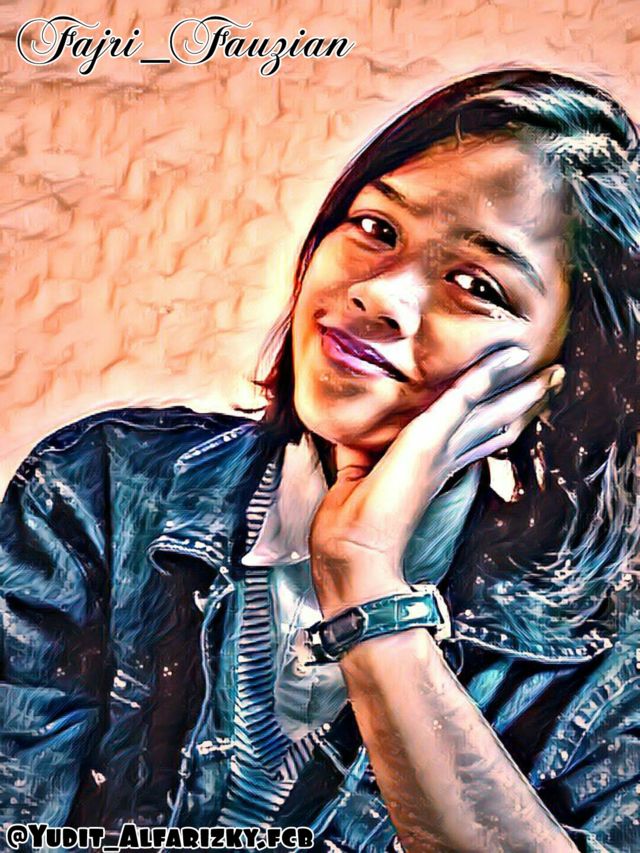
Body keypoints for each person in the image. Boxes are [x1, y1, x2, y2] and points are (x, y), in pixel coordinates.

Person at [1, 68, 638, 852]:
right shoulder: (99, 487)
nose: (381, 295)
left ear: (565, 373)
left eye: (476, 283)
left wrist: (366, 579)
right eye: (376, 228)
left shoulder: (610, 658)